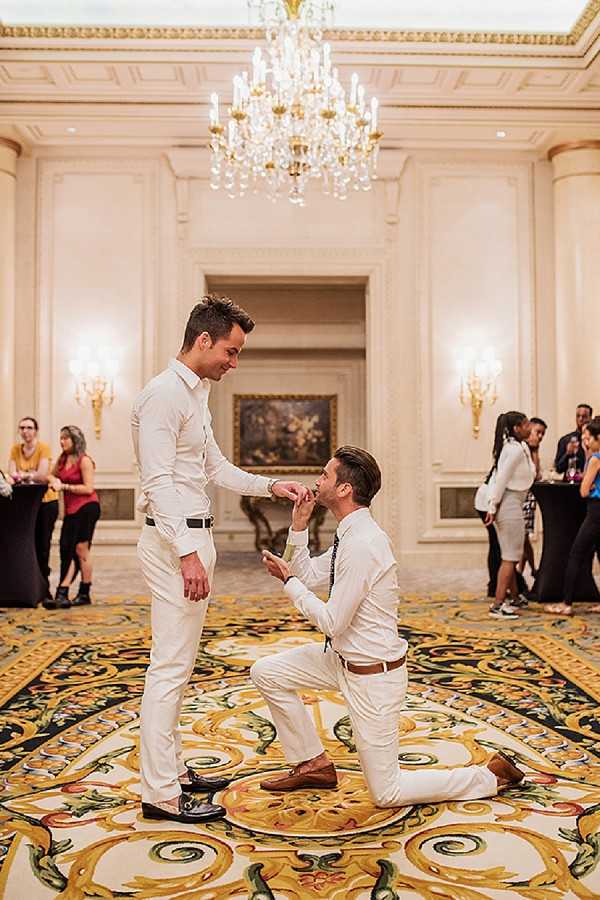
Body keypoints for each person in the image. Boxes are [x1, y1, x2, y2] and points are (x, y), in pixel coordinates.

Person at [251, 446, 524, 807]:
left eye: (325, 475)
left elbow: (331, 619)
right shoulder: (350, 533)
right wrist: (298, 526)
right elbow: (311, 574)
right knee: (267, 672)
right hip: (341, 661)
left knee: (386, 793)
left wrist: (289, 583)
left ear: (345, 489)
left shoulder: (364, 543)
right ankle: (313, 763)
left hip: (372, 678)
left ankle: (488, 776)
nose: (317, 481)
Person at [131, 294, 308, 825]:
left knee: (178, 666)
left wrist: (270, 485)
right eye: (231, 352)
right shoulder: (163, 395)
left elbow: (216, 468)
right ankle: (160, 793)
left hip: (190, 541)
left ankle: (174, 771)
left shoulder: (197, 392)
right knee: (168, 667)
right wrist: (187, 554)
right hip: (172, 545)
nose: (235, 363)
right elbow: (158, 483)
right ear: (203, 340)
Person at [545, 416, 600, 617]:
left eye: (589, 438)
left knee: (576, 554)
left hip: (595, 511)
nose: (586, 442)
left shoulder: (595, 459)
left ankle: (566, 603)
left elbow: (584, 491)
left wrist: (588, 467)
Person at [485, 412, 536, 618]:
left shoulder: (517, 448)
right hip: (510, 504)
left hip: (510, 503)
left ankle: (514, 598)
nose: (530, 427)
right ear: (516, 428)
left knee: (510, 554)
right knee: (510, 557)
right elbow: (501, 479)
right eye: (525, 425)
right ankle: (498, 604)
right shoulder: (514, 451)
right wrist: (493, 506)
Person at [47, 425, 101, 610]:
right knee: (66, 549)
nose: (62, 442)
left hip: (87, 508)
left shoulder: (84, 460)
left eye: (66, 438)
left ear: (75, 440)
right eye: (61, 438)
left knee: (80, 549)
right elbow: (51, 475)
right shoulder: (62, 459)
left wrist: (64, 487)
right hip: (70, 511)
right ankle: (63, 591)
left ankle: (82, 592)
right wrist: (52, 481)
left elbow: (88, 488)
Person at [8, 416, 59, 602]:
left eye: (29, 427)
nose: (25, 431)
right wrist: (28, 475)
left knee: (43, 546)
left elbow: (42, 475)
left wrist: (22, 475)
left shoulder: (43, 448)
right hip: (25, 505)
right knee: (28, 546)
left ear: (36, 431)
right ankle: (30, 587)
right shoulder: (15, 449)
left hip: (46, 503)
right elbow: (10, 475)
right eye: (22, 427)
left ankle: (45, 590)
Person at [519, 416, 547, 582]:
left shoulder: (533, 450)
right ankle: (531, 569)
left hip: (529, 497)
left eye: (543, 434)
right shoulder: (521, 448)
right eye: (538, 432)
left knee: (524, 536)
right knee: (522, 537)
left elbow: (536, 475)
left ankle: (522, 572)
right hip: (520, 496)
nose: (540, 436)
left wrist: (536, 451)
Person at [554, 404, 593, 476]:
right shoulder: (565, 440)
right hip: (571, 484)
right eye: (578, 416)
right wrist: (567, 454)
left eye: (584, 416)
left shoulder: (595, 441)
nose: (580, 419)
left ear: (590, 418)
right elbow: (558, 469)